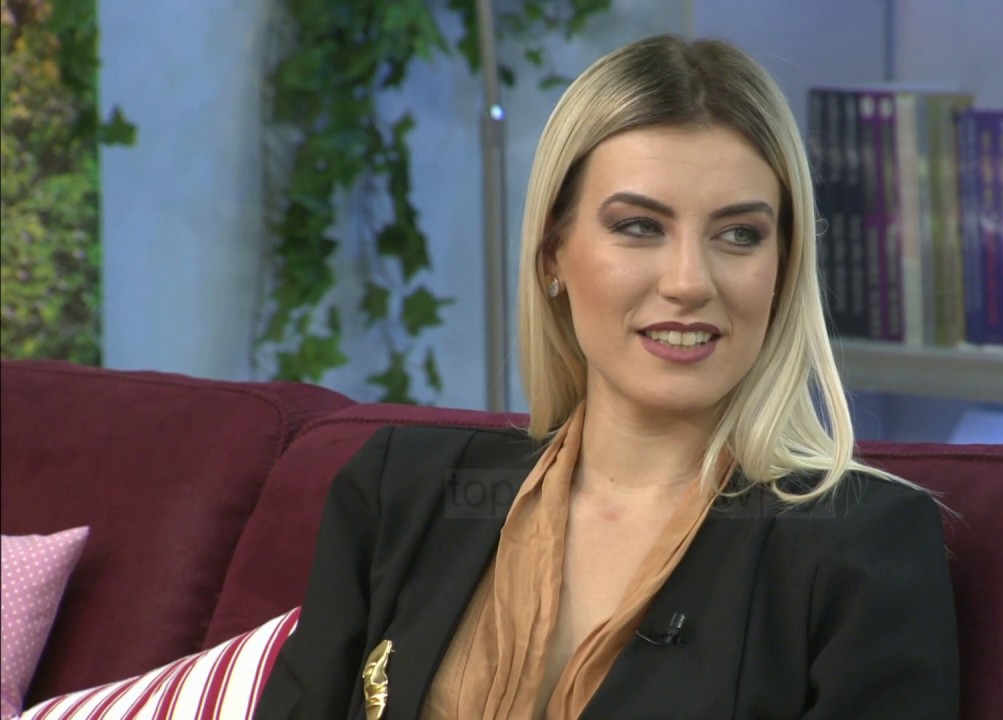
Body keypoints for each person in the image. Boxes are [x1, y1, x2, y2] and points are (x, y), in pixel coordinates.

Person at [255, 33, 958, 720]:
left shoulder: (865, 542)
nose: (689, 281)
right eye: (639, 227)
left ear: (782, 268)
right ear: (553, 253)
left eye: (739, 234)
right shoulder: (399, 490)